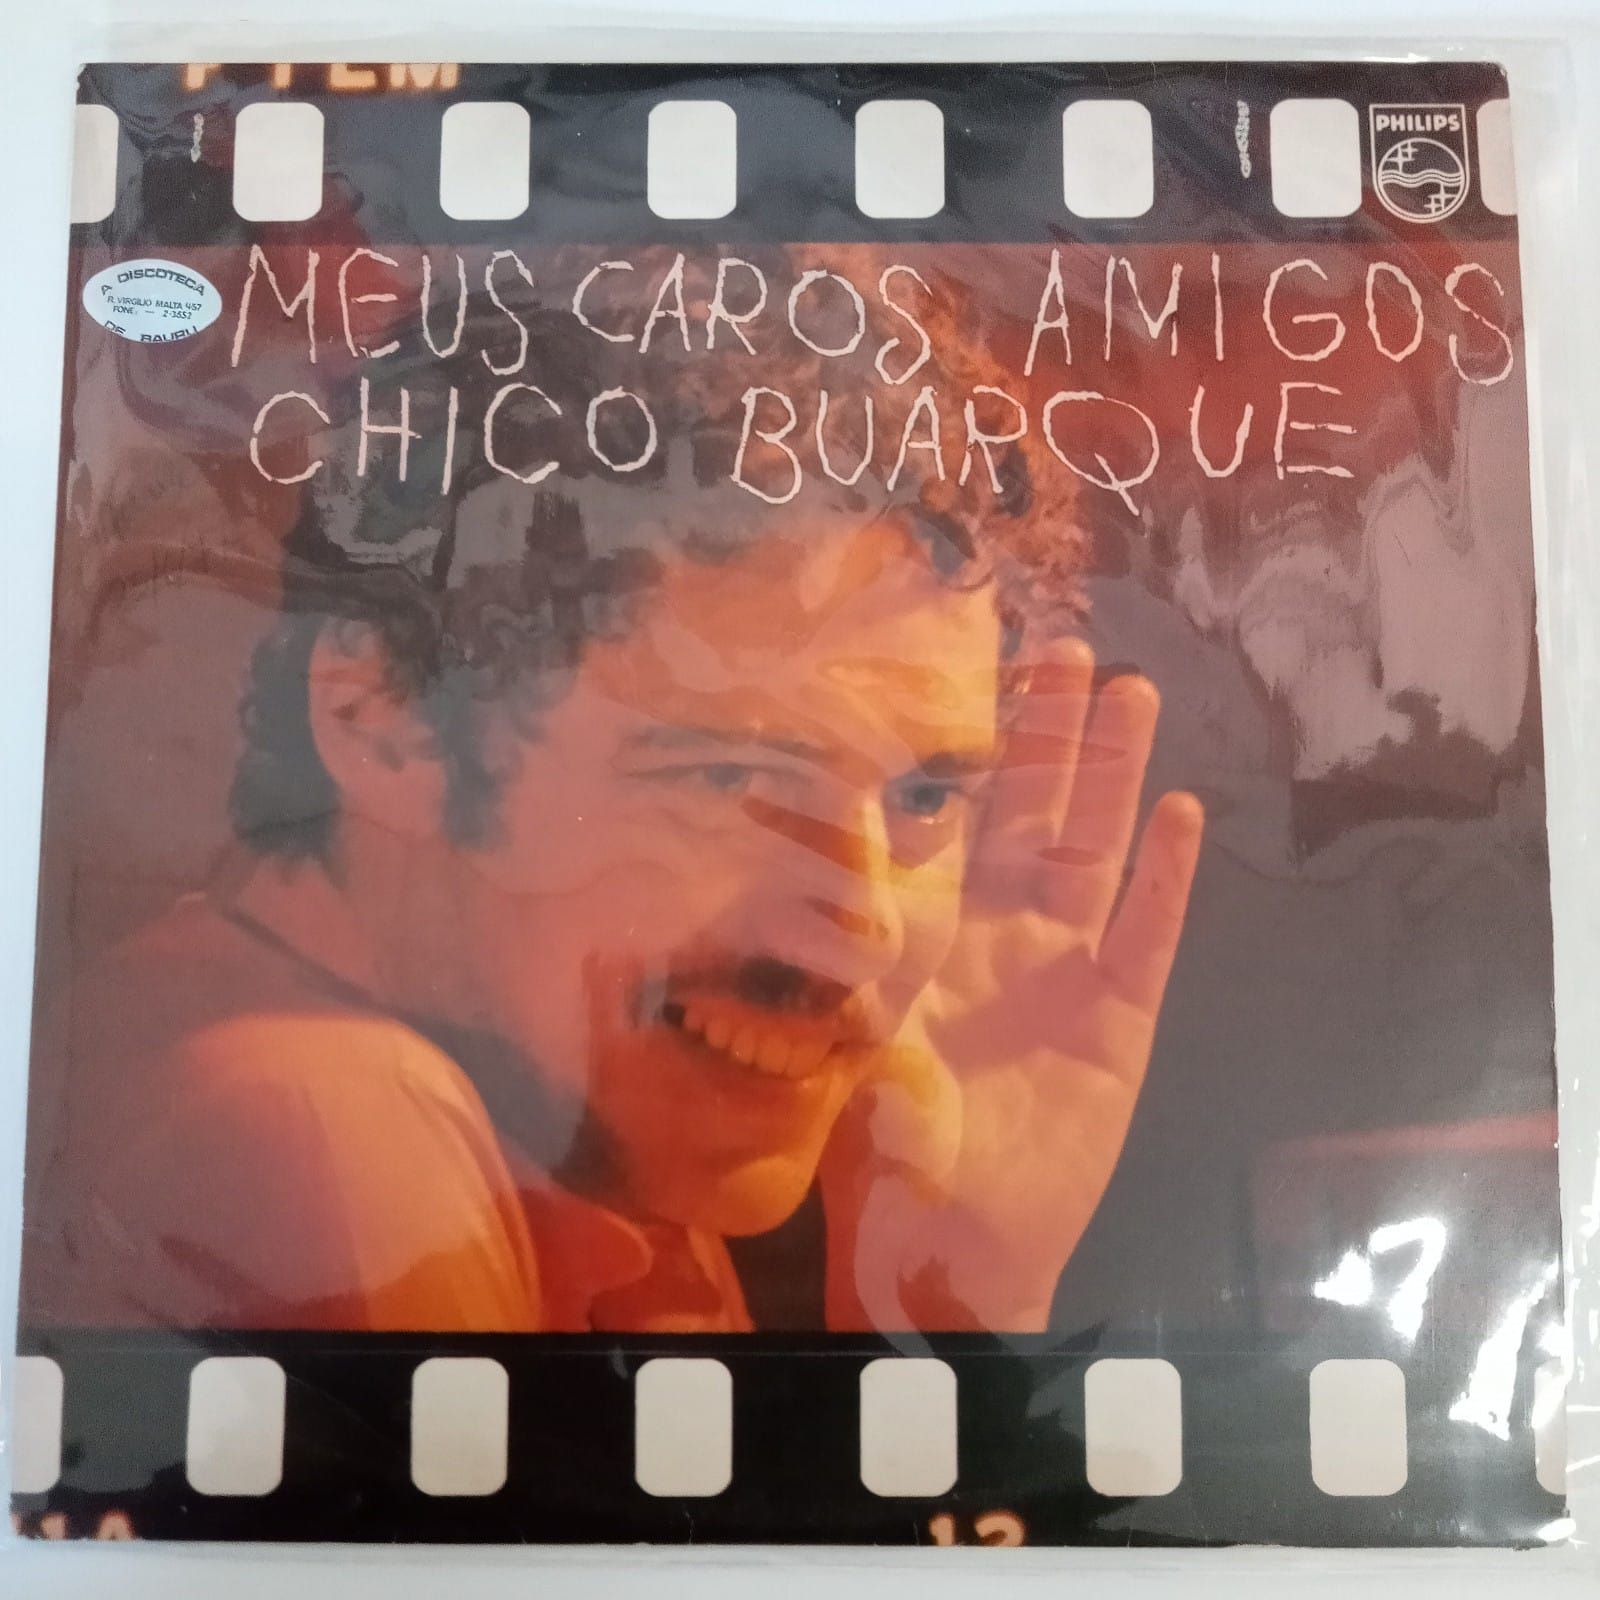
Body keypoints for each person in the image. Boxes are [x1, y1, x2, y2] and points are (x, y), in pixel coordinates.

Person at [22, 249, 1202, 1334]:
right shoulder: (323, 1128)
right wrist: (949, 1348)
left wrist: (949, 1290)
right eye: (729, 776)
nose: (864, 932)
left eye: (925, 799)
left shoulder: (523, 1106)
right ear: (385, 720)